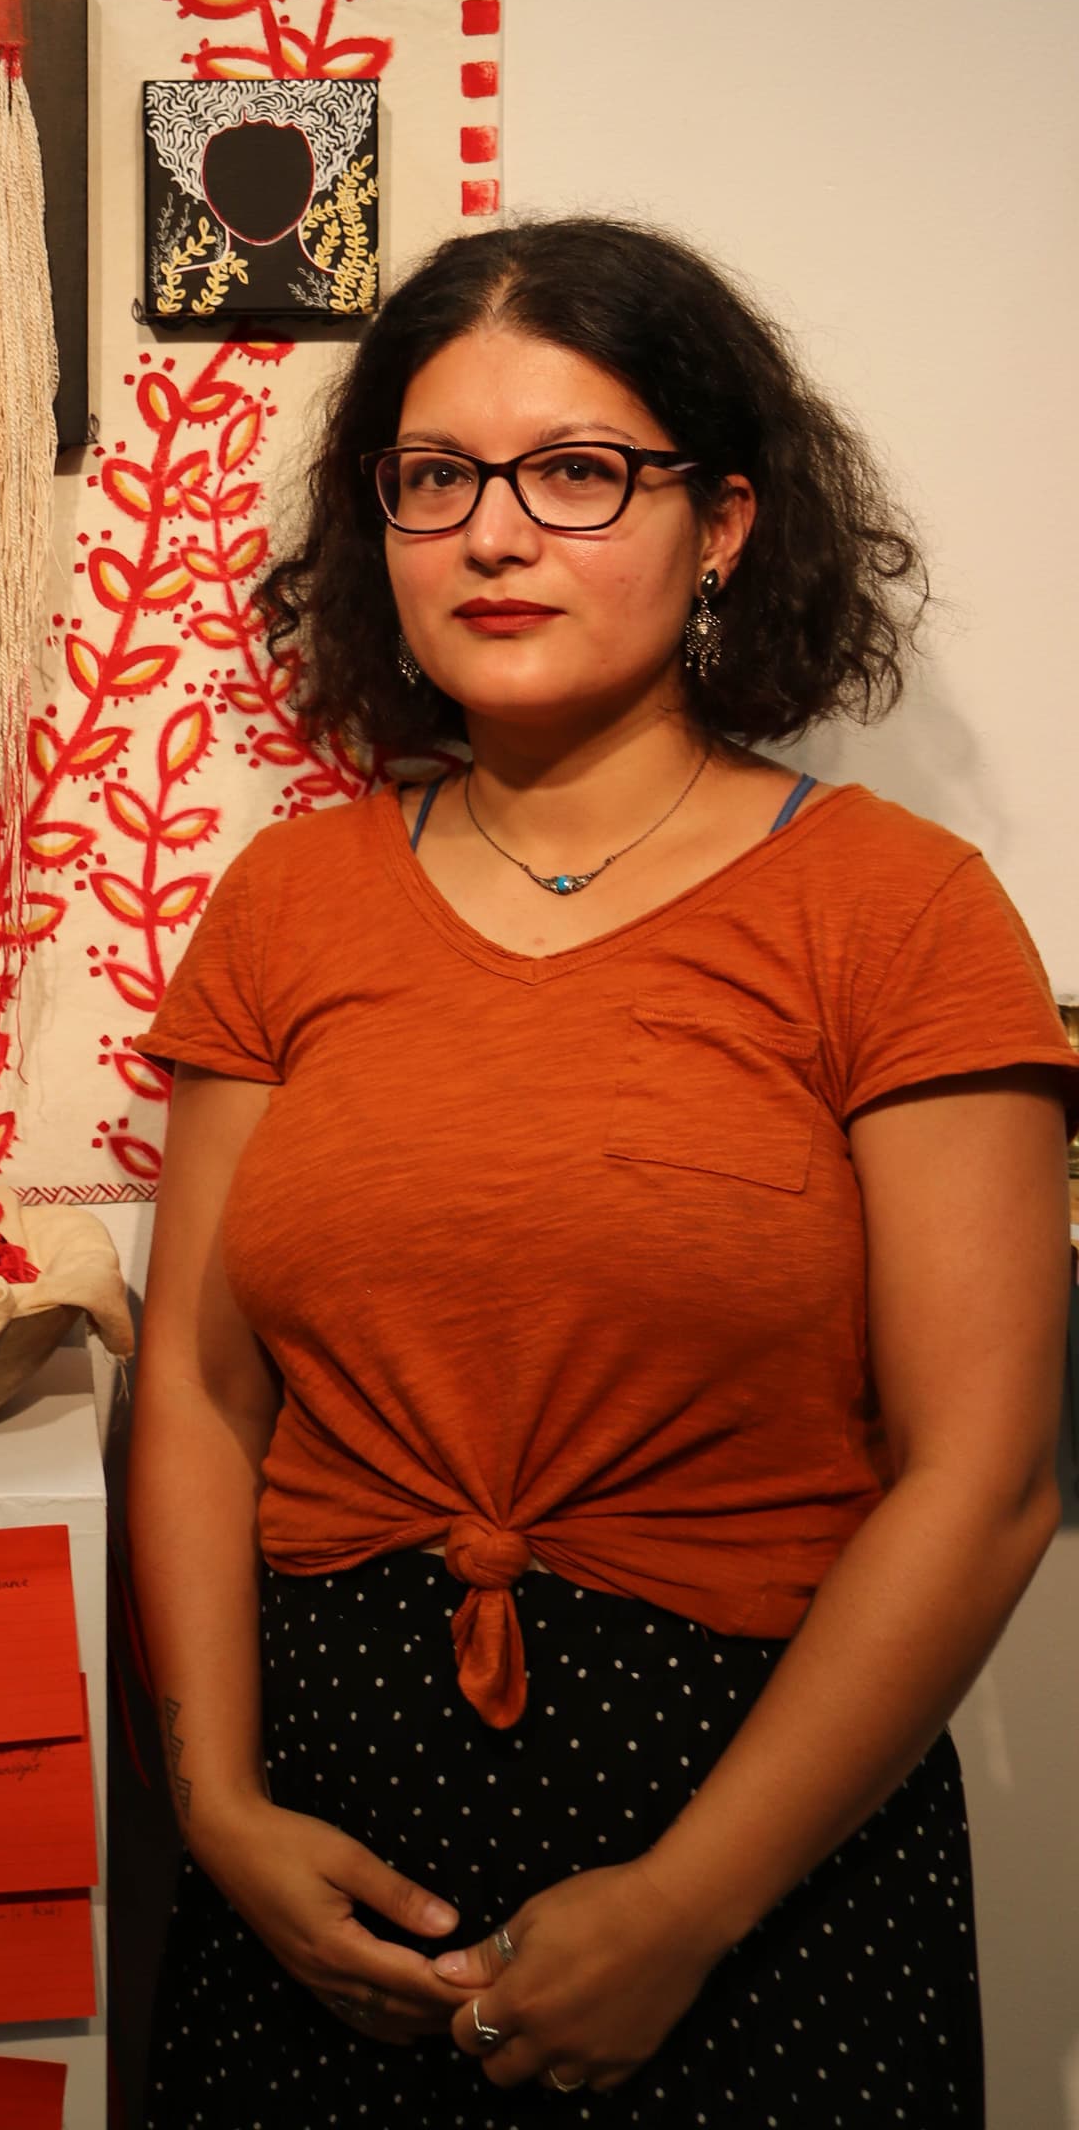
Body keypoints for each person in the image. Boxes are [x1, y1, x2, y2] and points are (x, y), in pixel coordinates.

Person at [128, 215, 1074, 2124]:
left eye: (578, 473)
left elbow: (983, 1486)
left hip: (756, 1852)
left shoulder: (899, 913)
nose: (494, 535)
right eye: (435, 476)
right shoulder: (290, 902)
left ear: (720, 523)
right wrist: (218, 1806)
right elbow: (202, 1395)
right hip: (325, 1839)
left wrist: (682, 1908)